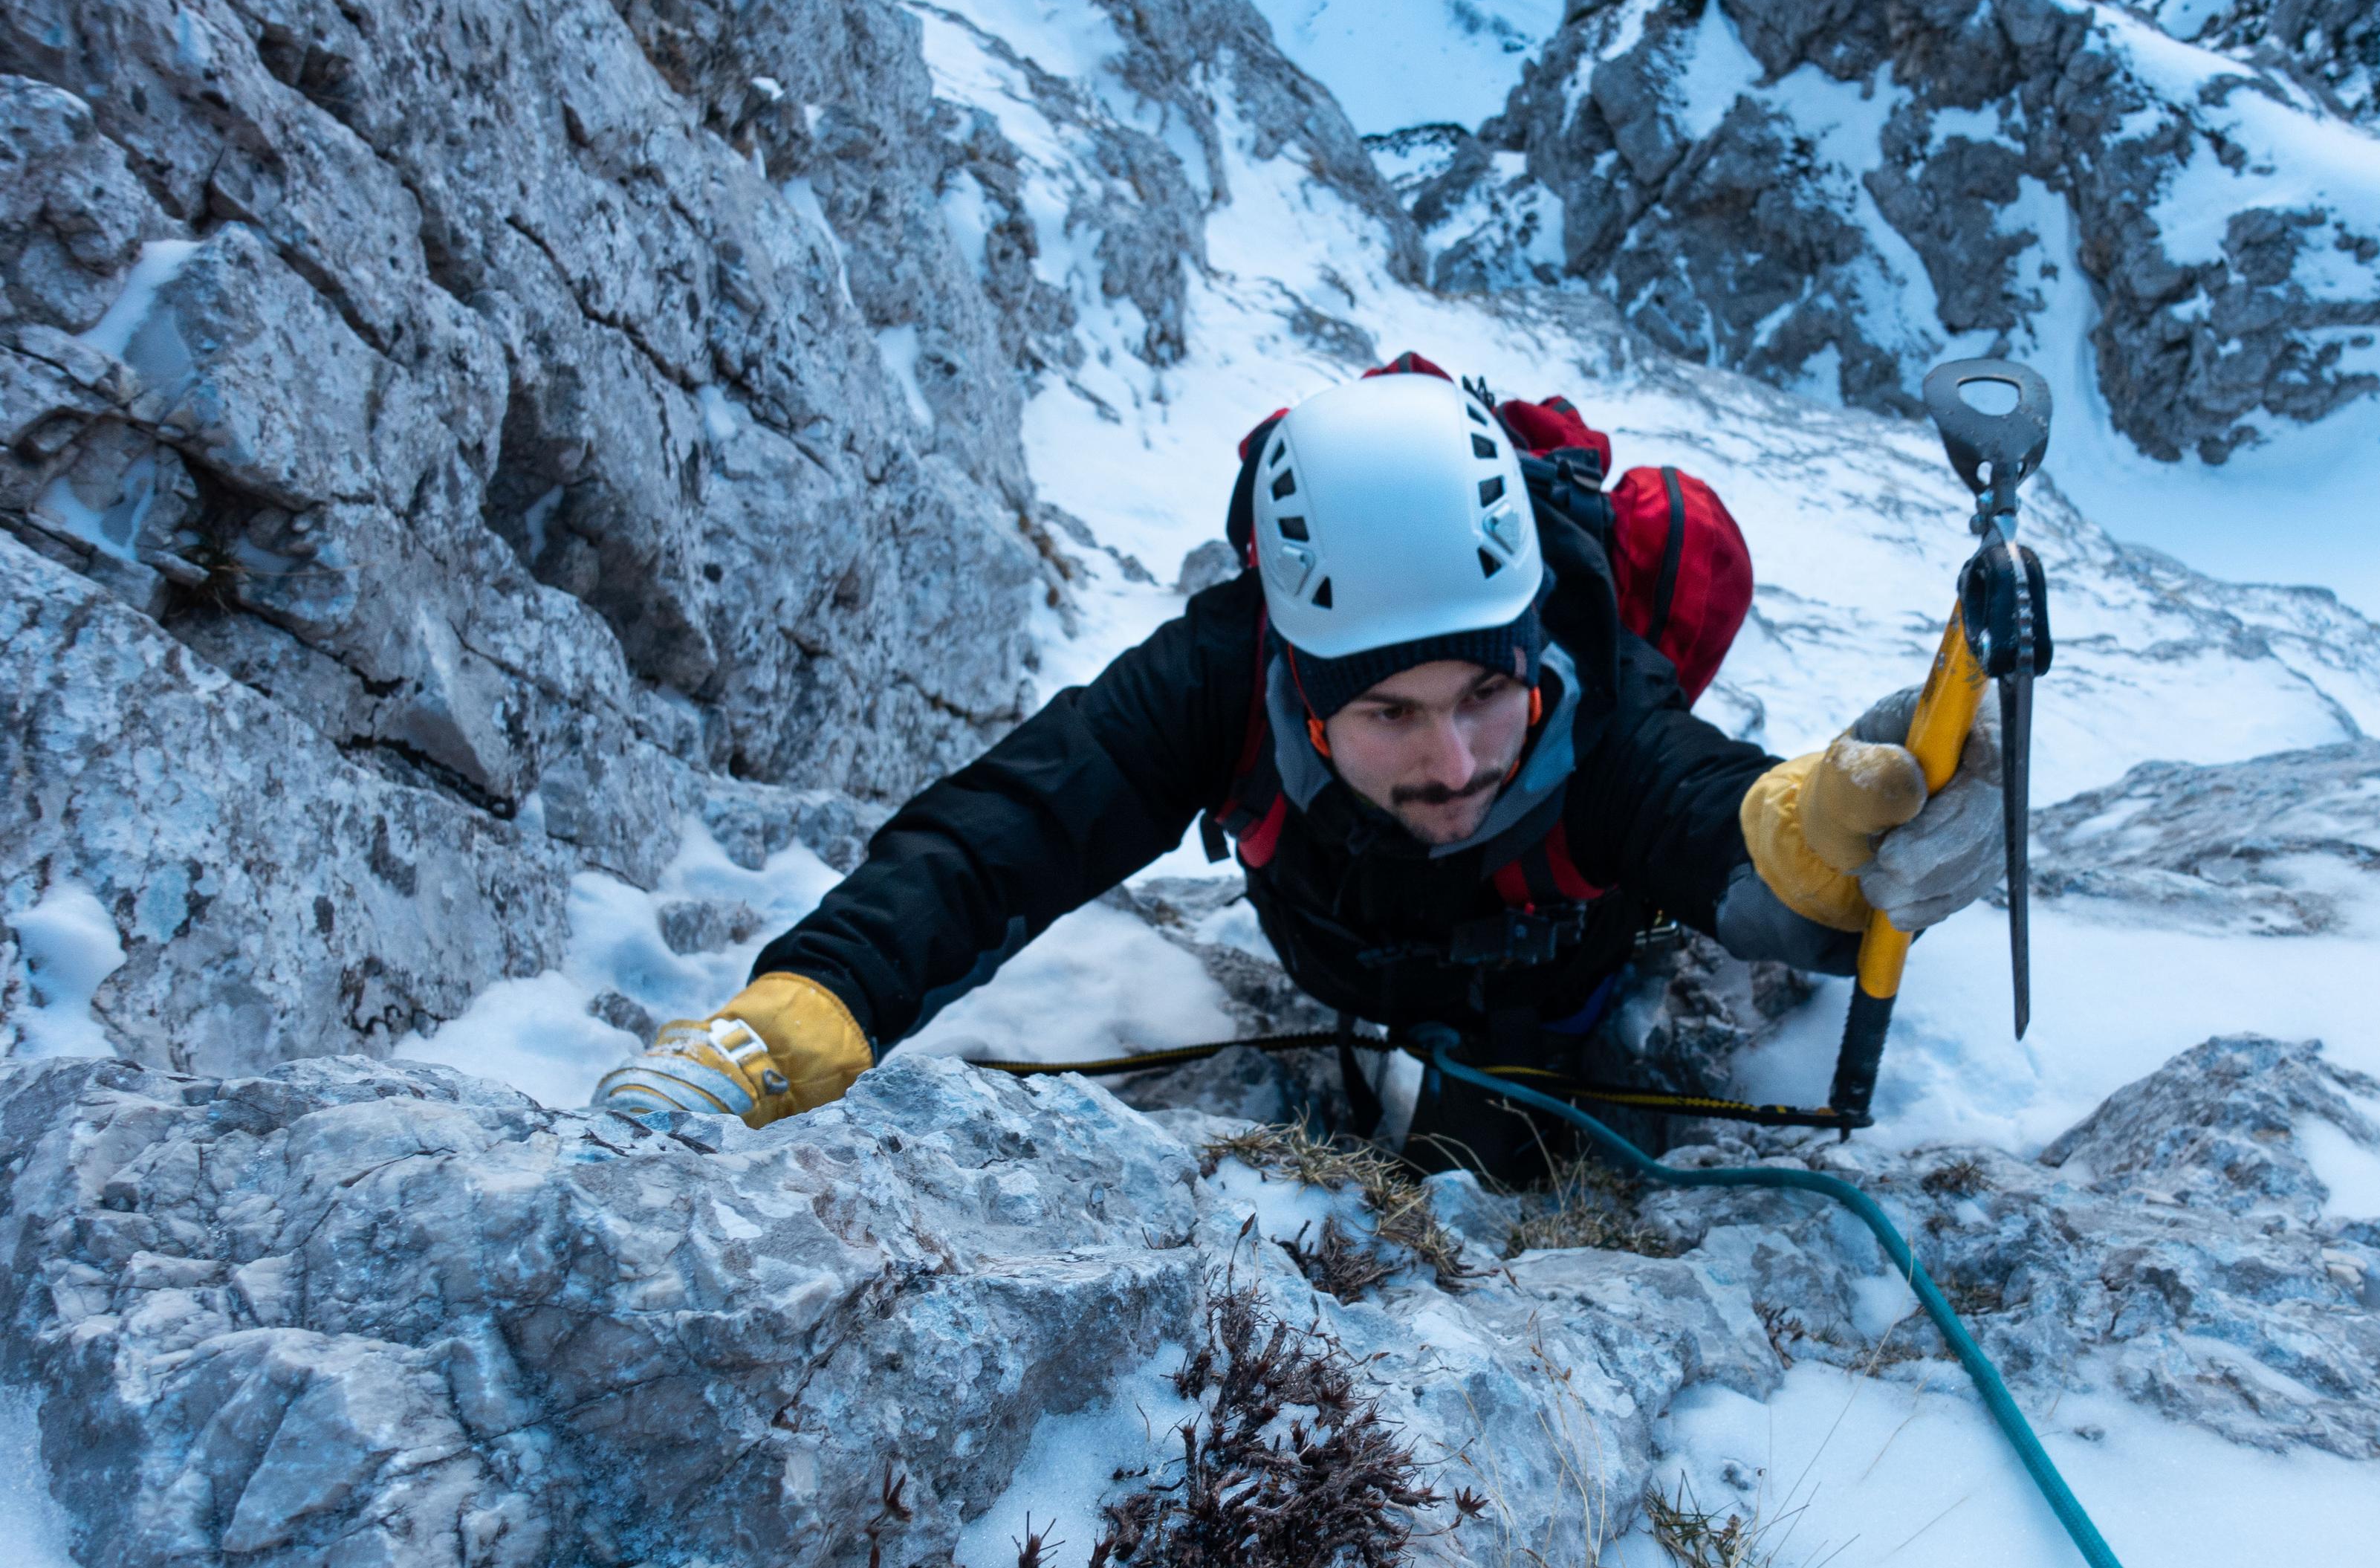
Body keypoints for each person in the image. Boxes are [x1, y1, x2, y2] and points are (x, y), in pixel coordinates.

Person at [591, 371, 2003, 1177]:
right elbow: (998, 837)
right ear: (1303, 692)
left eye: (1485, 694)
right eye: (1390, 711)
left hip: (1535, 986)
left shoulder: (1585, 668)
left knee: (1490, 1170)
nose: (1456, 761)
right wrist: (800, 1012)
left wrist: (1818, 844)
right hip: (1341, 962)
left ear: (1530, 653)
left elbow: (1709, 817)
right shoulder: (1220, 669)